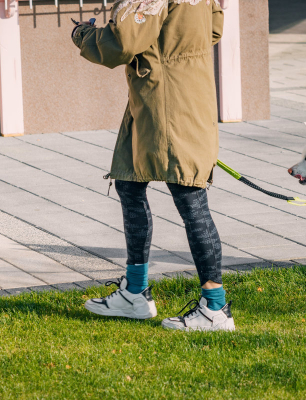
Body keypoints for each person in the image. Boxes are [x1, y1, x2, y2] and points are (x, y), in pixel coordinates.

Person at [71, 0, 233, 331]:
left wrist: (83, 34)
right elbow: (214, 30)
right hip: (173, 98)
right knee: (129, 184)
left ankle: (215, 309)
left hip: (169, 106)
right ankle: (134, 293)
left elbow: (121, 45)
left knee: (190, 198)